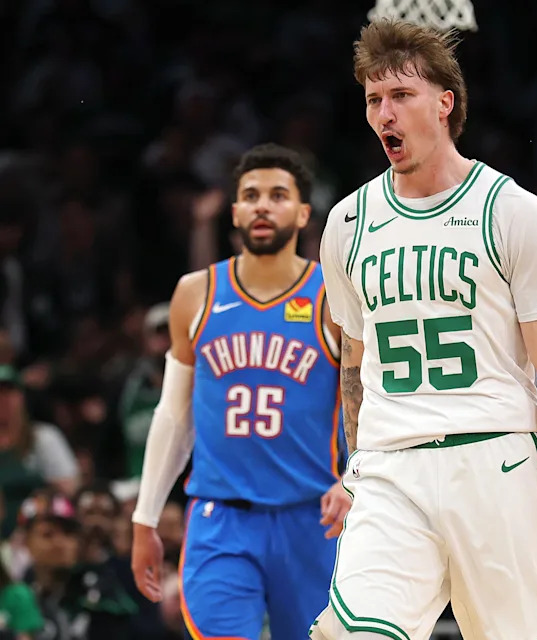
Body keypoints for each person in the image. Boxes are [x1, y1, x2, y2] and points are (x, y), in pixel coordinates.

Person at [312, 19, 537, 640]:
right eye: (374, 100)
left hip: (495, 463)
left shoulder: (512, 212)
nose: (384, 114)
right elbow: (354, 362)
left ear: (445, 103)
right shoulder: (348, 222)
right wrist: (357, 469)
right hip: (390, 471)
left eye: (400, 96)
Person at [129, 143, 351, 640]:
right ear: (234, 212)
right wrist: (146, 517)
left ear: (303, 212)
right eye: (250, 195)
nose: (263, 205)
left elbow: (366, 402)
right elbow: (174, 414)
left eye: (277, 195)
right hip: (220, 519)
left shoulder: (333, 296)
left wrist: (355, 476)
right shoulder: (196, 293)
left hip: (312, 519)